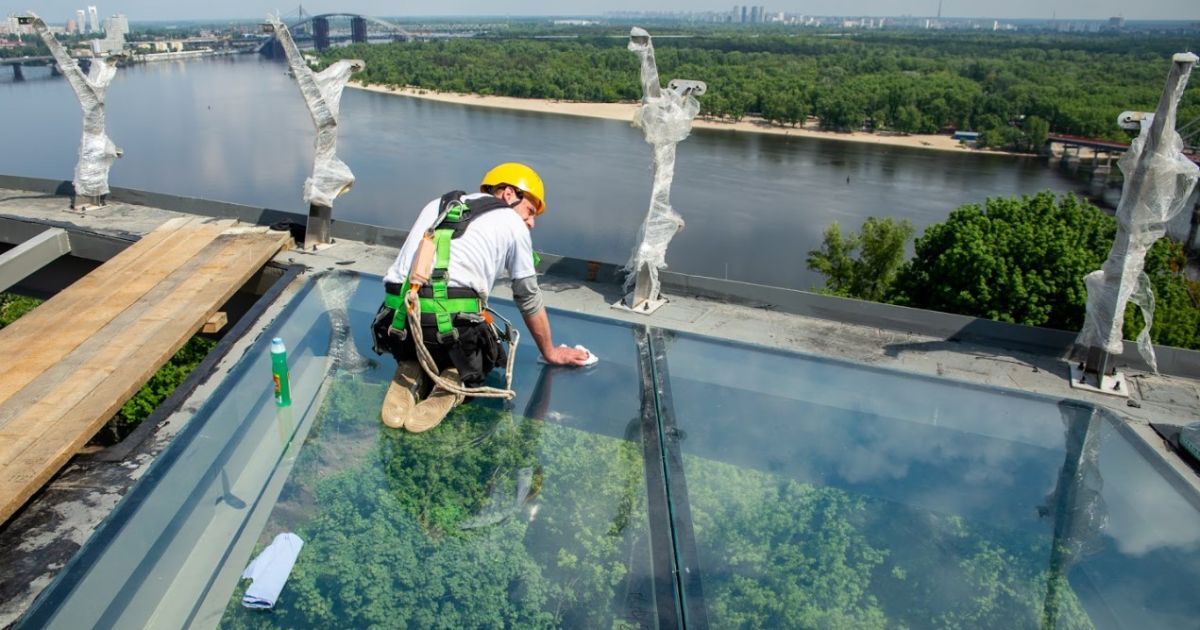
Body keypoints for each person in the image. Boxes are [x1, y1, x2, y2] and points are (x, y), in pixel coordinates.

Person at [372, 163, 590, 432]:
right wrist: (551, 351)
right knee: (486, 348)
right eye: (530, 211)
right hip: (445, 328)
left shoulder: (438, 203)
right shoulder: (512, 223)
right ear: (508, 194)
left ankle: (411, 365)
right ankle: (455, 379)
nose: (532, 222)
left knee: (432, 320)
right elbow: (528, 297)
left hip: (395, 322)